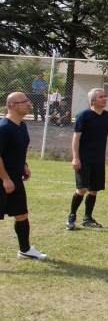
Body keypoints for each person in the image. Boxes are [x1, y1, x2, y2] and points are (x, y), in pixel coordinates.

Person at [66, 88, 108, 230]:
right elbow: (76, 137)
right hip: (84, 158)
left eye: (105, 96)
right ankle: (71, 217)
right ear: (92, 101)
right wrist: (75, 158)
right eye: (100, 97)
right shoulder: (83, 115)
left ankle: (87, 218)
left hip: (98, 159)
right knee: (82, 188)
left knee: (93, 190)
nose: (104, 98)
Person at [0, 93, 47, 259]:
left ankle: (25, 250)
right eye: (25, 101)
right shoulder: (3, 127)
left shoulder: (22, 126)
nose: (29, 104)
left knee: (21, 214)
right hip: (3, 180)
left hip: (15, 179)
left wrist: (24, 166)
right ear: (13, 106)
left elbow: (17, 150)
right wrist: (5, 179)